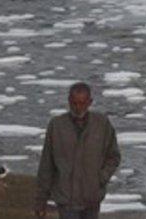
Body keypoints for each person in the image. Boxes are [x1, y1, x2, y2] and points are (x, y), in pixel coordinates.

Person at [34, 82, 121, 219]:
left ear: (90, 102)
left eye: (82, 103)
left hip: (92, 197)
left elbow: (114, 156)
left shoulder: (102, 124)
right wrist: (41, 201)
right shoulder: (57, 126)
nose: (78, 108)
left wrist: (101, 178)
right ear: (69, 101)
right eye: (74, 103)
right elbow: (46, 165)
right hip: (66, 199)